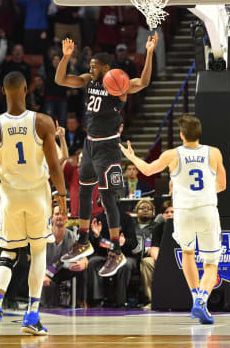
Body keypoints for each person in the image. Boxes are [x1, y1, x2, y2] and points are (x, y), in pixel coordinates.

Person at [55, 34, 158, 278]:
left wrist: (150, 53)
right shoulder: (87, 81)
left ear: (106, 68)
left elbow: (142, 82)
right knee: (83, 192)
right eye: (89, 65)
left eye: (94, 66)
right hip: (89, 145)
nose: (90, 68)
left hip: (109, 148)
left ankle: (115, 250)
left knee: (108, 198)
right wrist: (66, 57)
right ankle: (82, 239)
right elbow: (60, 79)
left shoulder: (118, 84)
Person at [0, 71, 68, 335]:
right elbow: (54, 165)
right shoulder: (42, 122)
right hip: (38, 195)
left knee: (8, 252)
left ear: (2, 92)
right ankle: (32, 316)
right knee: (38, 252)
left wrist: (5, 166)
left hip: (10, 197)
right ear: (27, 89)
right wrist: (61, 196)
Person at [120, 114, 226, 325]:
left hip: (183, 211)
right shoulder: (214, 153)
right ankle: (202, 300)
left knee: (188, 253)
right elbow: (222, 185)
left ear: (181, 134)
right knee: (211, 264)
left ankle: (195, 296)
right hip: (206, 209)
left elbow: (148, 170)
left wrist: (132, 157)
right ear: (199, 133)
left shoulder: (172, 155)